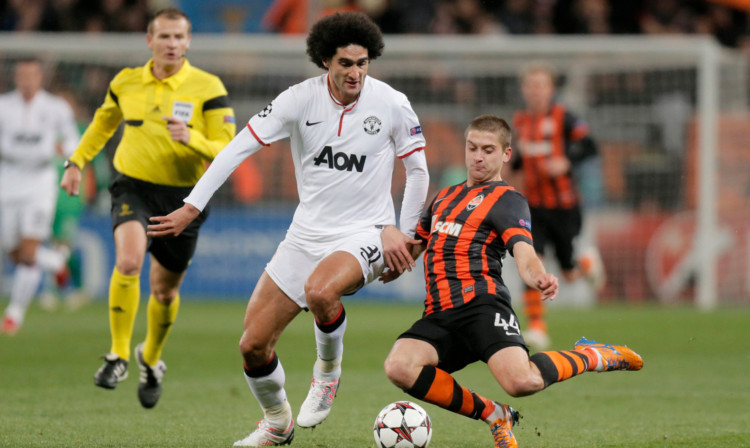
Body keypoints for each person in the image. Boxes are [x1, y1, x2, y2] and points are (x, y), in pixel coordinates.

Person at [147, 12, 430, 446]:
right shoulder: (298, 100)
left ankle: (327, 372)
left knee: (321, 291)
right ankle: (277, 422)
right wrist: (190, 206)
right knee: (252, 345)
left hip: (367, 232)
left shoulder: (391, 102)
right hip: (304, 236)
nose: (355, 72)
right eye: (345, 64)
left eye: (363, 63)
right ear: (324, 62)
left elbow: (418, 172)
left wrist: (404, 236)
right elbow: (237, 148)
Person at [382, 115, 642, 448]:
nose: (478, 156)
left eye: (488, 150)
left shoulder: (508, 200)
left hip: (482, 308)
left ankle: (592, 356)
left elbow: (525, 252)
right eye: (472, 147)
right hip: (439, 314)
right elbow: (414, 245)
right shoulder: (444, 198)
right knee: (399, 366)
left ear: (506, 154)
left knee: (523, 381)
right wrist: (385, 257)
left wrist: (538, 277)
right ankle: (494, 414)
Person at [59, 8, 236, 409]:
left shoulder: (207, 87)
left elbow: (229, 147)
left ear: (189, 42)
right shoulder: (126, 82)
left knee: (164, 289)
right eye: (165, 37)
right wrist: (76, 162)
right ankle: (118, 354)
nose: (173, 44)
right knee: (128, 262)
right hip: (132, 187)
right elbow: (103, 124)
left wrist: (192, 138)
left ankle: (150, 359)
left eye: (180, 37)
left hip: (184, 199)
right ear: (149, 41)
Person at [509, 62, 604, 349]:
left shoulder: (564, 117)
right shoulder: (521, 121)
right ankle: (536, 326)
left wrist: (566, 161)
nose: (535, 91)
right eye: (530, 85)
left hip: (564, 205)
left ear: (551, 90)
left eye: (541, 85)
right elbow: (518, 160)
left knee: (570, 273)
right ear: (524, 90)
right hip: (533, 206)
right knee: (531, 261)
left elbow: (590, 146)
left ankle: (586, 263)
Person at [0, 57, 79, 335]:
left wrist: (68, 155)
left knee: (29, 251)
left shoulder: (55, 108)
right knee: (15, 252)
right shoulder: (3, 106)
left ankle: (14, 314)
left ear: (40, 77)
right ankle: (56, 262)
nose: (27, 80)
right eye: (22, 75)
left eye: (32, 75)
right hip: (8, 180)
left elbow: (72, 139)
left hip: (39, 182)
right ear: (16, 78)